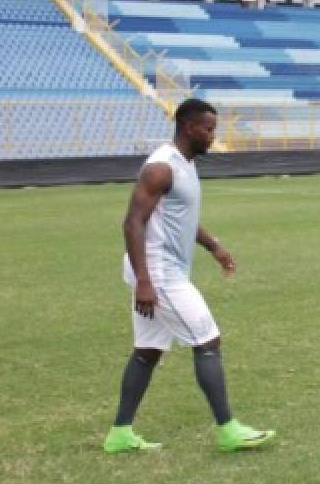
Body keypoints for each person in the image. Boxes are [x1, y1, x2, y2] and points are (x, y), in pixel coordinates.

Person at [102, 98, 275, 453]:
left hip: (162, 272)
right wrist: (146, 283)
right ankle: (228, 430)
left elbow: (180, 218)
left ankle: (119, 433)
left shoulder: (185, 165)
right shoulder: (161, 168)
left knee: (148, 350)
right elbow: (132, 223)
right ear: (188, 127)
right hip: (159, 274)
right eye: (208, 129)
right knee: (207, 340)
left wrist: (214, 246)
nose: (213, 136)